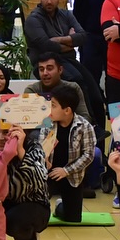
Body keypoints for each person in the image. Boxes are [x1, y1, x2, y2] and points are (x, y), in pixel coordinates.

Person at [36, 84, 95, 223]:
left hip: (72, 176)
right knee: (39, 218)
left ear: (67, 110)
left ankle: (60, 206)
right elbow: (40, 147)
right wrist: (44, 160)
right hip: (48, 173)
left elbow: (88, 155)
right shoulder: (48, 123)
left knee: (73, 219)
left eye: (54, 106)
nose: (50, 109)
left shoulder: (84, 126)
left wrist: (66, 171)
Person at [73, 0, 120, 82]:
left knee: (112, 72)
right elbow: (82, 13)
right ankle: (94, 98)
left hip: (111, 38)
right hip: (91, 36)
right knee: (90, 72)